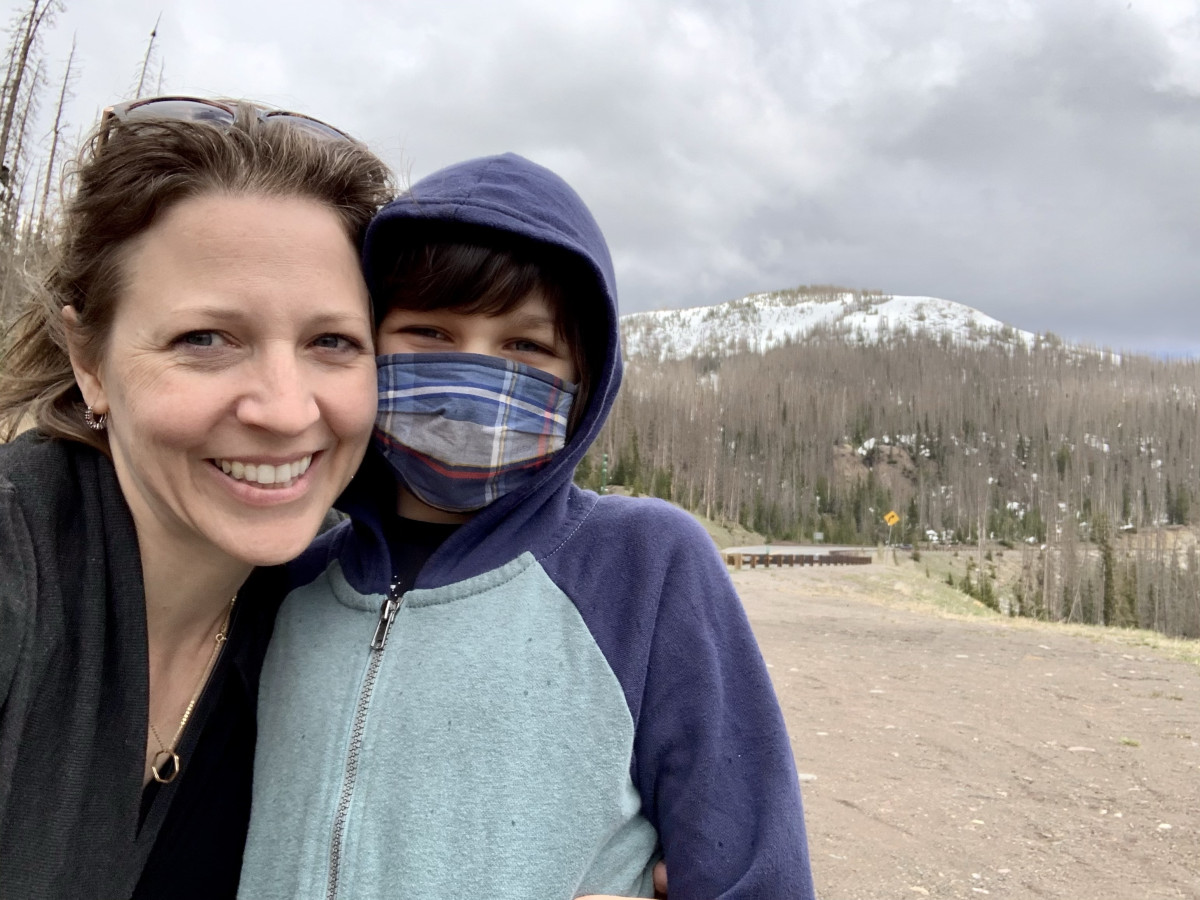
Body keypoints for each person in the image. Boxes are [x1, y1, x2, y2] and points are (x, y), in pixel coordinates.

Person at [239, 153, 817, 899]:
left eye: (526, 346)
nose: (473, 375)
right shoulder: (287, 578)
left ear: (584, 381)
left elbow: (755, 869)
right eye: (429, 331)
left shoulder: (643, 567)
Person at [0, 96, 392, 899]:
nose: (285, 410)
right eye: (205, 339)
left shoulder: (327, 614)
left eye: (332, 342)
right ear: (90, 361)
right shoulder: (17, 562)